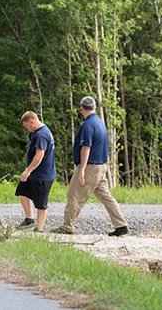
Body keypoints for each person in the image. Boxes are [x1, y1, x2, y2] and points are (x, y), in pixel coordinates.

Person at [53, 96, 129, 236]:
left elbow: (86, 147)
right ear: (94, 107)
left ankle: (67, 226)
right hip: (101, 166)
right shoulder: (100, 122)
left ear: (81, 108)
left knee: (74, 195)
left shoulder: (88, 125)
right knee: (106, 197)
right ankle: (121, 225)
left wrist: (81, 170)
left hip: (90, 167)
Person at [15, 111, 56, 232]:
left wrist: (28, 171)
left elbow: (39, 156)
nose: (26, 129)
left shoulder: (41, 135)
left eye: (26, 126)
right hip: (33, 174)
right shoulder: (35, 133)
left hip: (43, 175)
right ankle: (29, 219)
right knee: (22, 191)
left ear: (32, 121)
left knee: (41, 203)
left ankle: (40, 228)